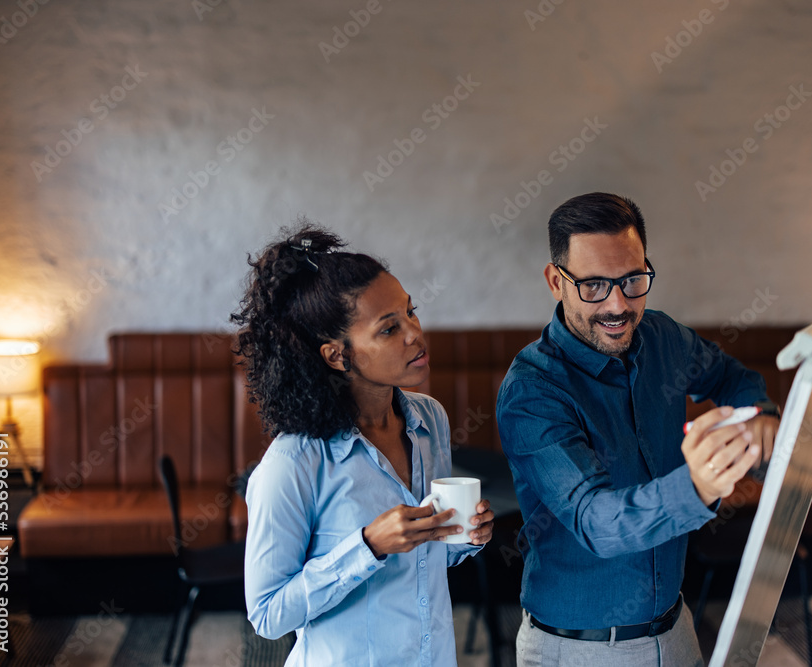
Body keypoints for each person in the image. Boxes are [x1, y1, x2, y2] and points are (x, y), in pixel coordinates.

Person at [495, 193, 780, 666]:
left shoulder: (663, 337)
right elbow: (596, 521)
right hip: (578, 649)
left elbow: (732, 378)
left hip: (676, 628)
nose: (618, 304)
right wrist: (698, 486)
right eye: (594, 286)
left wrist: (761, 413)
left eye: (632, 280)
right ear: (555, 281)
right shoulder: (532, 391)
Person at [234, 222, 495, 666]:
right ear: (338, 355)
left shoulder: (429, 418)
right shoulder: (293, 461)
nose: (415, 334)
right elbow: (267, 615)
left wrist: (467, 536)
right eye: (389, 329)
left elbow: (428, 562)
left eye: (411, 313)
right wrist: (368, 546)